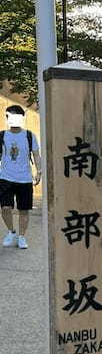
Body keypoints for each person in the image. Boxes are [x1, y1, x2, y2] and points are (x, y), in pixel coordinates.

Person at [0, 104, 41, 249]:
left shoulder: (29, 136)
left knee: (24, 210)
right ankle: (11, 232)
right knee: (5, 208)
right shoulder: (2, 135)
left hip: (24, 178)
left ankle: (22, 237)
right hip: (5, 178)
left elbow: (36, 154)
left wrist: (39, 171)